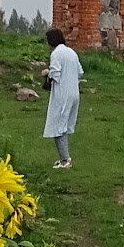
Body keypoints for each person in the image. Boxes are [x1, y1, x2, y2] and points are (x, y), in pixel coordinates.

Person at [42, 27, 82, 169]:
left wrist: (47, 73)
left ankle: (65, 160)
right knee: (64, 125)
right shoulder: (72, 52)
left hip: (62, 94)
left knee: (59, 126)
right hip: (74, 92)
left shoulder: (56, 53)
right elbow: (80, 72)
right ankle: (64, 158)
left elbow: (55, 74)